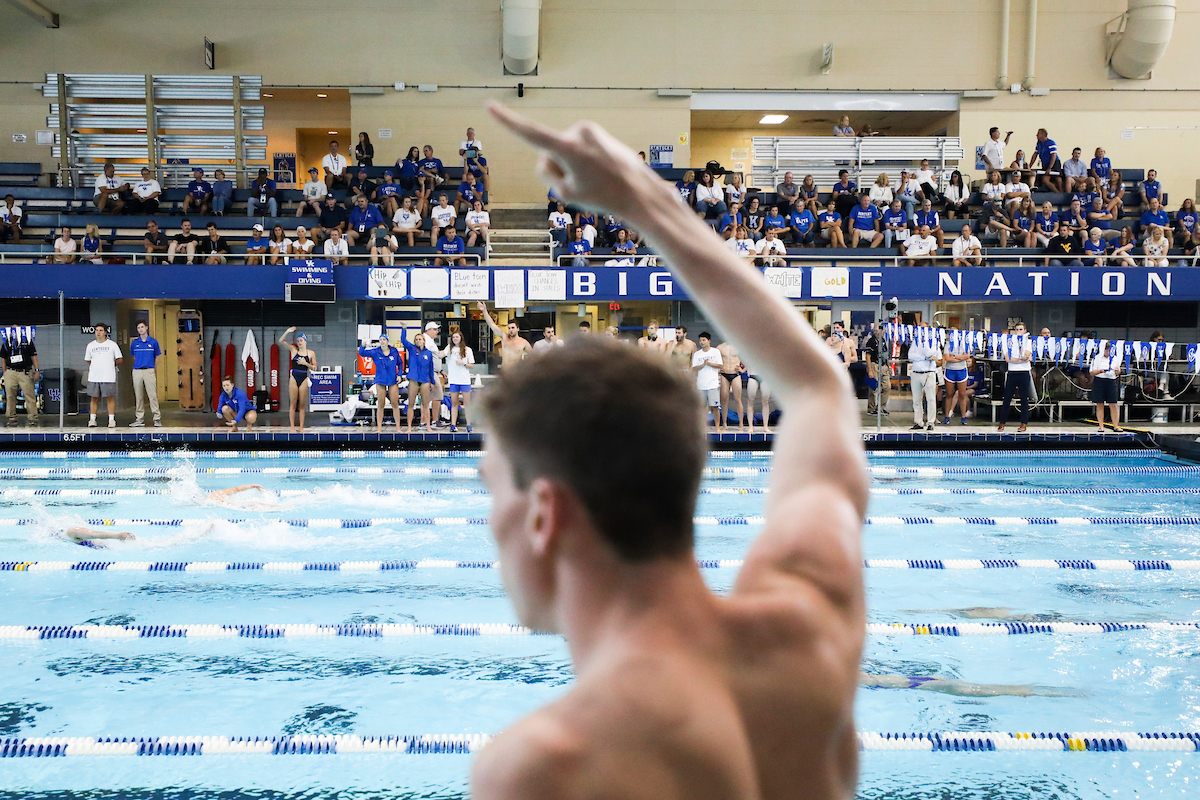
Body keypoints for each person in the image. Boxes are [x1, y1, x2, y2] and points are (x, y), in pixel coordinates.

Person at [480, 102, 868, 800]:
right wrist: (647, 203)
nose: (488, 523)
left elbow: (817, 387)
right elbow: (818, 387)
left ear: (544, 513)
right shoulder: (808, 629)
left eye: (490, 491)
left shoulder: (552, 766)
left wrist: (646, 202)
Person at [358, 333, 402, 433]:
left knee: (395, 403)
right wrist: (363, 345)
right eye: (380, 340)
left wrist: (399, 374)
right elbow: (362, 353)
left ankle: (398, 428)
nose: (382, 341)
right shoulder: (375, 352)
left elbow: (400, 363)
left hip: (392, 380)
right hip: (380, 380)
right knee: (381, 404)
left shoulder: (394, 351)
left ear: (387, 341)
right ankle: (379, 428)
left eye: (384, 339)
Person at [997, 322, 1034, 432]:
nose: (1019, 332)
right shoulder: (1009, 342)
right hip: (1012, 372)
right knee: (1007, 398)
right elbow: (1008, 359)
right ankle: (1002, 423)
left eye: (1021, 329)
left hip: (1024, 372)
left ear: (1025, 331)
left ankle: (1024, 423)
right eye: (1017, 330)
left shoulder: (1029, 342)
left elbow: (1026, 355)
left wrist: (1020, 356)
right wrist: (1021, 359)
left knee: (1024, 399)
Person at [84, 323, 122, 428]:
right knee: (94, 398)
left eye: (101, 330)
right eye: (96, 330)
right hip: (94, 376)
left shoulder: (112, 345)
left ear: (105, 332)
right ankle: (92, 420)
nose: (98, 333)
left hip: (108, 376)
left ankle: (111, 420)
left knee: (109, 398)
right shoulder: (90, 345)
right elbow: (88, 360)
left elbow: (119, 359)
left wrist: (110, 365)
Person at [398, 327, 436, 433]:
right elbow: (403, 340)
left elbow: (431, 368)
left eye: (420, 339)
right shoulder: (412, 349)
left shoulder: (428, 353)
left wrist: (432, 382)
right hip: (413, 379)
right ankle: (409, 427)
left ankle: (428, 427)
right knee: (411, 403)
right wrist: (404, 329)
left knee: (426, 405)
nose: (418, 341)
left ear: (424, 340)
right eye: (416, 339)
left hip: (425, 380)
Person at [279, 328, 317, 432]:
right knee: (293, 404)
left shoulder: (311, 353)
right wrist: (287, 331)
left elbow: (314, 368)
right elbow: (281, 341)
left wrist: (305, 363)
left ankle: (301, 427)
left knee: (302, 405)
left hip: (304, 377)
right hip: (294, 378)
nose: (299, 342)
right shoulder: (294, 350)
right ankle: (292, 427)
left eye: (301, 340)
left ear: (305, 341)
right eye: (298, 341)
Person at [906, 321, 941, 431]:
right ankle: (919, 422)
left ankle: (930, 422)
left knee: (930, 399)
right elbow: (910, 355)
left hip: (928, 373)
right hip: (916, 373)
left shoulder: (934, 341)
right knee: (916, 399)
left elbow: (930, 353)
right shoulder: (915, 342)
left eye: (923, 329)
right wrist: (924, 358)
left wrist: (925, 342)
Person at [127, 320, 162, 428]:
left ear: (146, 327)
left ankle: (156, 418)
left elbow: (158, 357)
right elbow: (134, 357)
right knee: (139, 396)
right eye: (138, 328)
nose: (140, 329)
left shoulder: (153, 342)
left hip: (149, 370)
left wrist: (152, 367)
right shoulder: (134, 343)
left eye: (142, 327)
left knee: (152, 395)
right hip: (137, 371)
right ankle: (139, 419)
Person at [1, 329, 38, 427]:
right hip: (11, 372)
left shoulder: (27, 341)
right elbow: (3, 359)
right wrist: (5, 373)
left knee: (29, 395)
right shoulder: (7, 343)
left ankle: (33, 418)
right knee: (10, 395)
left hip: (25, 372)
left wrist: (37, 370)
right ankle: (11, 418)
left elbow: (34, 357)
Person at [477, 302, 533, 367]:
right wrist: (484, 311)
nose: (511, 330)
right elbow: (492, 324)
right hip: (505, 370)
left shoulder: (523, 342)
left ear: (518, 329)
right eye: (509, 328)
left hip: (517, 371)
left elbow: (533, 356)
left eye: (513, 328)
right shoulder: (504, 337)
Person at [441, 330, 476, 432]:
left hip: (464, 380)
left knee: (467, 403)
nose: (455, 339)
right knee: (454, 403)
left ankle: (468, 425)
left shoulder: (467, 350)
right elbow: (442, 354)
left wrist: (463, 363)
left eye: (457, 337)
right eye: (453, 337)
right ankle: (453, 424)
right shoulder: (449, 348)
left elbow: (472, 365)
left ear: (461, 338)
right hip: (453, 380)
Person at [692, 332, 724, 431]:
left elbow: (720, 365)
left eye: (704, 340)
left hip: (712, 384)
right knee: (701, 407)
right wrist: (703, 365)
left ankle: (717, 427)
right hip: (701, 385)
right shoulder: (697, 354)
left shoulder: (715, 352)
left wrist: (709, 363)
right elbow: (694, 368)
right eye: (700, 340)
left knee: (715, 406)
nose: (701, 342)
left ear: (709, 341)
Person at [1089, 340, 1123, 434]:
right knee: (1100, 404)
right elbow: (1091, 372)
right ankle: (1101, 426)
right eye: (1106, 350)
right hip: (1100, 381)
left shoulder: (1115, 358)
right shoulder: (1096, 358)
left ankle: (1116, 426)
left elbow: (1118, 371)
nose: (1108, 352)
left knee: (1113, 404)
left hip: (1111, 381)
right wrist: (1100, 371)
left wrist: (1116, 371)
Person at [941, 333, 970, 425]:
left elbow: (967, 356)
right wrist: (960, 358)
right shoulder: (948, 344)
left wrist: (954, 356)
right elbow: (947, 358)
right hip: (950, 371)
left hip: (962, 370)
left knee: (962, 394)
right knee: (949, 394)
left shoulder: (964, 343)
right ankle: (947, 416)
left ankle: (963, 417)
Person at [861, 322, 889, 417]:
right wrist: (870, 370)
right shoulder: (871, 341)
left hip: (883, 365)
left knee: (887, 387)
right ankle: (871, 408)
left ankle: (881, 407)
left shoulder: (883, 340)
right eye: (880, 330)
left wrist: (888, 366)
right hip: (874, 364)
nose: (882, 332)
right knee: (874, 388)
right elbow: (868, 356)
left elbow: (886, 355)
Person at [64, 527, 135, 547]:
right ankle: (118, 536)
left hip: (69, 533)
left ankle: (118, 536)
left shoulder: (70, 532)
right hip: (100, 545)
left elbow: (94, 534)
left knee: (94, 535)